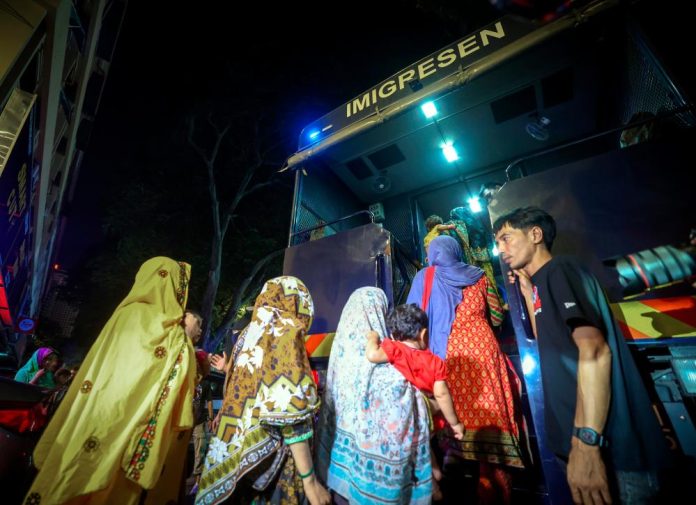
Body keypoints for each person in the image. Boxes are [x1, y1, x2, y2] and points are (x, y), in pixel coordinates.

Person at [493, 206, 672, 504]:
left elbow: (595, 351)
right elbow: (544, 336)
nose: (501, 249)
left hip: (609, 452)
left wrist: (586, 443)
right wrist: (526, 289)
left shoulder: (562, 269)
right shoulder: (542, 282)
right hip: (580, 447)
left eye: (506, 238)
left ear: (535, 234)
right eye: (498, 243)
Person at [24, 257, 198, 505]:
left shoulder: (125, 314)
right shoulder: (174, 336)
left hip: (90, 414)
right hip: (129, 432)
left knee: (66, 476)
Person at [407, 235, 525, 505]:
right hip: (484, 354)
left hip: (449, 357)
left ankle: (455, 483)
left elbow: (414, 317)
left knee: (452, 426)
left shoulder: (426, 276)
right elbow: (497, 315)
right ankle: (494, 488)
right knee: (491, 424)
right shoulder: (480, 276)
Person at [195, 276, 330, 505]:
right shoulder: (285, 330)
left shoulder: (248, 335)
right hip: (275, 456)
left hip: (237, 450)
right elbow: (289, 410)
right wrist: (309, 480)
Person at [316, 287, 433, 505]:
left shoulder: (340, 359)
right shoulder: (386, 369)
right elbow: (404, 402)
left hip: (340, 475)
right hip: (376, 486)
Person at [366, 303, 465, 501]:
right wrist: (455, 424)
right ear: (424, 334)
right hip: (430, 421)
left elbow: (372, 355)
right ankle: (437, 476)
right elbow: (442, 394)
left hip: (408, 420)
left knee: (421, 453)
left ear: (393, 335)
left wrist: (373, 338)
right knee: (427, 447)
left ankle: (434, 484)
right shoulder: (435, 362)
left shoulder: (394, 348)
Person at [189, 349, 214, 495]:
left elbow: (209, 401)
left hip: (199, 421)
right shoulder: (188, 379)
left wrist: (210, 418)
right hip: (187, 422)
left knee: (199, 452)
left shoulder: (205, 383)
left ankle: (198, 483)